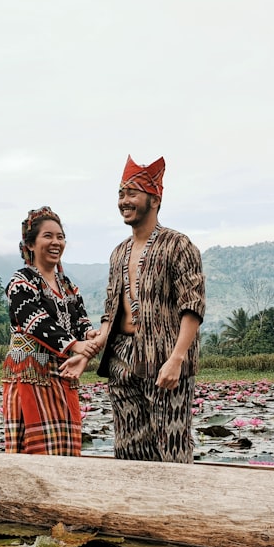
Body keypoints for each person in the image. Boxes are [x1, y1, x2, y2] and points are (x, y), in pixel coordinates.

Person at [91, 155, 206, 463]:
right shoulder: (118, 253)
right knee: (128, 448)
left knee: (171, 445)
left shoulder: (178, 245)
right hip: (122, 359)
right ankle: (134, 509)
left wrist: (176, 359)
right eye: (120, 193)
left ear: (154, 199)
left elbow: (192, 306)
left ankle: (177, 509)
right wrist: (96, 340)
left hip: (164, 358)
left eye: (132, 193)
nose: (124, 201)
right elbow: (111, 310)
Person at [2, 206, 99, 455]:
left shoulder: (68, 286)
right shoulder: (21, 282)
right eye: (48, 236)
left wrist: (88, 336)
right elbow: (34, 320)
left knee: (65, 446)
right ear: (30, 245)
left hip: (63, 374)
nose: (56, 242)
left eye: (60, 236)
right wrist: (75, 345)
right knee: (36, 449)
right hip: (31, 372)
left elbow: (81, 321)